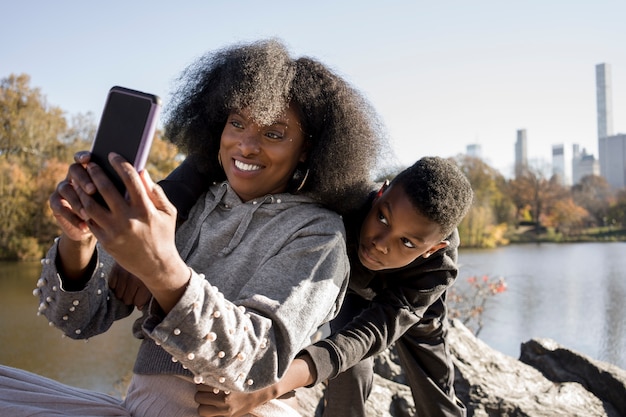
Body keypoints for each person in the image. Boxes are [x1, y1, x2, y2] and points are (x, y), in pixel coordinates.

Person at [0, 38, 384, 417]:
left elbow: (255, 363)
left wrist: (161, 269)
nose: (247, 145)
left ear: (306, 149)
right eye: (237, 123)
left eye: (273, 134)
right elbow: (80, 320)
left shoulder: (318, 235)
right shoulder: (185, 206)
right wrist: (78, 239)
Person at [193, 156, 474, 417]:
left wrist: (268, 388)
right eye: (383, 218)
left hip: (405, 300)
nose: (380, 243)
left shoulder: (437, 267)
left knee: (435, 387)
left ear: (432, 249)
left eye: (407, 242)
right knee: (350, 371)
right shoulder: (344, 195)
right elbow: (218, 159)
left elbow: (375, 331)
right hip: (345, 284)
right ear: (381, 192)